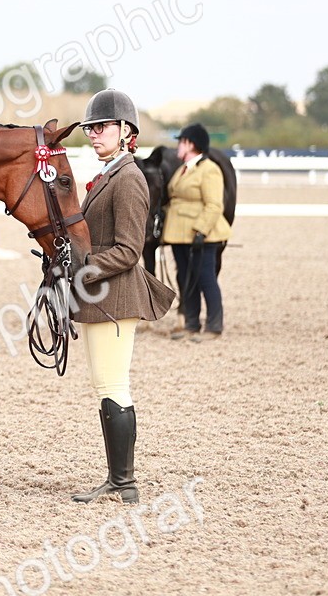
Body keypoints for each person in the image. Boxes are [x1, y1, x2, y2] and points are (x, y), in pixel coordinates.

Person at [71, 90, 175, 504]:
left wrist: (83, 263)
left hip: (117, 297)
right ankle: (118, 479)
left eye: (101, 127)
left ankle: (123, 482)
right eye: (90, 129)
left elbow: (130, 251)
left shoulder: (129, 178)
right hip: (102, 298)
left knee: (113, 383)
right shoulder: (111, 174)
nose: (93, 134)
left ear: (126, 131)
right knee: (103, 383)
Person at [163, 122, 230, 342]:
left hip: (200, 235)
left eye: (181, 142)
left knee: (205, 279)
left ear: (191, 144)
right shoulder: (184, 169)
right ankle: (191, 323)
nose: (177, 147)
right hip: (178, 235)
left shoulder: (209, 169)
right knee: (186, 279)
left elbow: (214, 205)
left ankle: (214, 325)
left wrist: (201, 230)